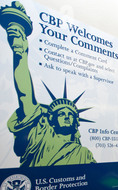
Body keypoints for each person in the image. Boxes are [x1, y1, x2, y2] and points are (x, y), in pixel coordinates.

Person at [1, 3, 95, 167]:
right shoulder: (40, 136)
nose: (66, 116)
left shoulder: (83, 154)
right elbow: (25, 94)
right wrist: (21, 54)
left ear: (75, 122)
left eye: (70, 115)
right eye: (61, 114)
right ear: (51, 119)